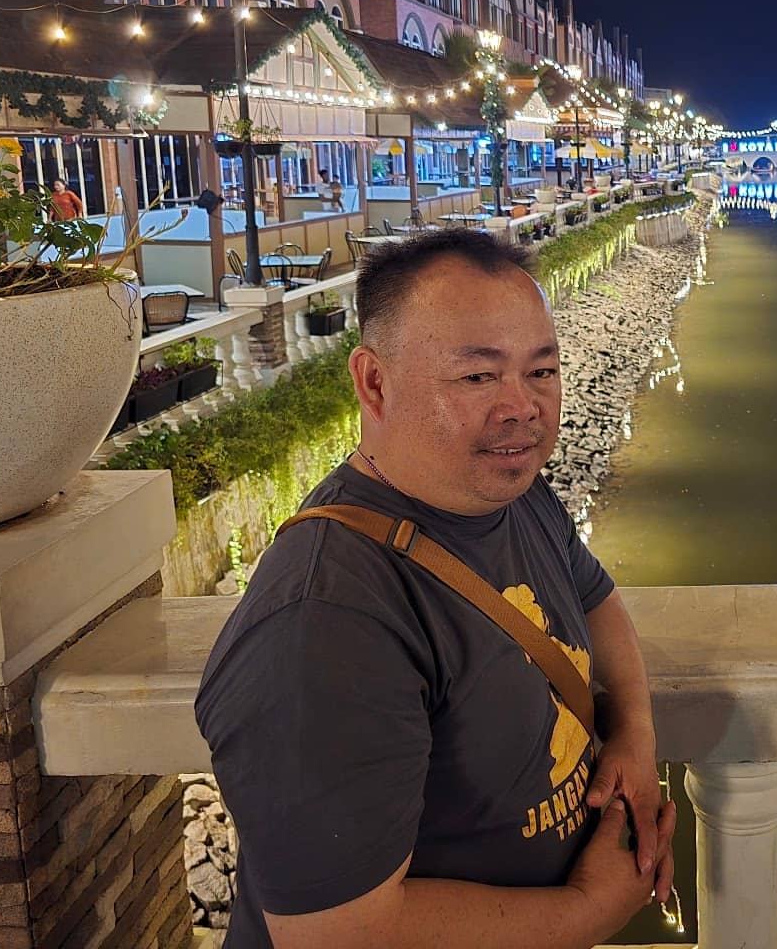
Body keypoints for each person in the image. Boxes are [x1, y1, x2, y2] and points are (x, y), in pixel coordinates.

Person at [195, 230, 673, 949]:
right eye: (479, 378)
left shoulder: (511, 496)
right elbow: (337, 936)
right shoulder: (323, 622)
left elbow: (595, 597)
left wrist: (634, 733)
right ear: (374, 382)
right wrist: (588, 912)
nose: (524, 407)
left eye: (541, 371)